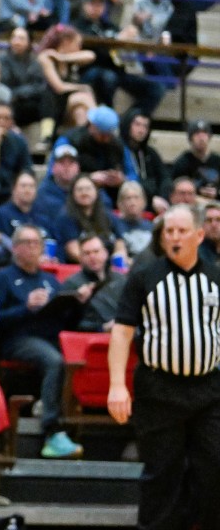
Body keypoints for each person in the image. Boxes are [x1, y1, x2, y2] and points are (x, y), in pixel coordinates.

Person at [108, 204, 220, 530]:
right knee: (161, 473)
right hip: (158, 390)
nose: (174, 237)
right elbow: (122, 332)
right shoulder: (144, 278)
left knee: (214, 468)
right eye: (168, 231)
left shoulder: (216, 278)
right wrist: (117, 385)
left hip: (210, 391)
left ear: (199, 235)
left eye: (181, 231)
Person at [0, 223, 83, 459]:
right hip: (18, 340)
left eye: (37, 243)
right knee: (54, 360)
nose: (33, 248)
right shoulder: (3, 277)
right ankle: (51, 431)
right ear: (15, 247)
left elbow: (66, 318)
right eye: (27, 243)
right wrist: (27, 308)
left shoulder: (50, 280)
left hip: (51, 337)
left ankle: (63, 417)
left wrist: (78, 303)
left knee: (75, 358)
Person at [59, 234, 127, 333]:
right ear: (80, 257)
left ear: (105, 253)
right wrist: (102, 328)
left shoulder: (120, 279)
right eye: (87, 253)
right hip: (92, 337)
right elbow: (69, 324)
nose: (92, 257)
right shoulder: (71, 284)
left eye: (96, 251)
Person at [172, 119, 220, 199]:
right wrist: (198, 191)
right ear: (191, 138)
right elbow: (176, 188)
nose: (201, 138)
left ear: (209, 137)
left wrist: (217, 192)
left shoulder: (217, 160)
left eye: (204, 134)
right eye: (197, 134)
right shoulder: (182, 162)